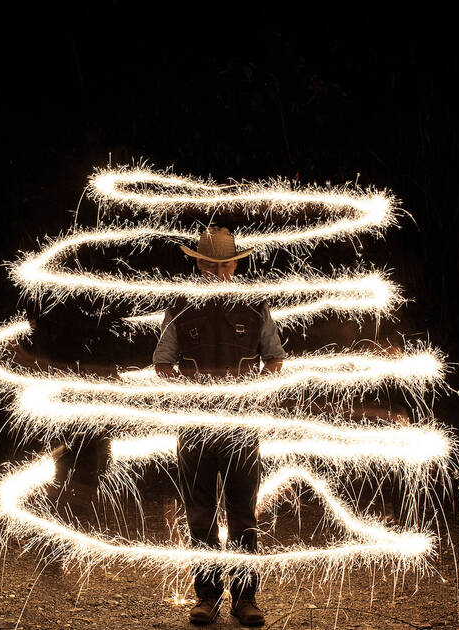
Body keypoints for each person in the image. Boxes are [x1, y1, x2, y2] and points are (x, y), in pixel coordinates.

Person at [153, 226, 285, 627]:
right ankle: (207, 598)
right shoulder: (180, 305)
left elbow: (275, 357)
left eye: (225, 263)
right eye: (210, 264)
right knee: (200, 515)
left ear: (235, 264)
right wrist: (192, 395)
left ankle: (245, 600)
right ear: (197, 262)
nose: (219, 271)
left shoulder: (254, 306)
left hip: (241, 427)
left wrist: (250, 393)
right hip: (195, 428)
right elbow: (162, 362)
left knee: (243, 514)